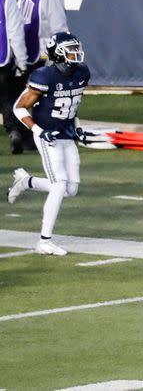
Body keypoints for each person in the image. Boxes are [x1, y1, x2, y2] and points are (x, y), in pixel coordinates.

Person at [6, 32, 87, 255]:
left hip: (66, 133)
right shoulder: (44, 76)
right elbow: (19, 108)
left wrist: (78, 127)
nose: (75, 54)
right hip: (46, 135)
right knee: (60, 184)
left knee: (70, 189)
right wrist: (39, 131)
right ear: (59, 54)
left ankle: (27, 182)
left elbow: (72, 104)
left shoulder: (81, 72)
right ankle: (44, 241)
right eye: (70, 50)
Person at [13, 0, 68, 152]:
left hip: (44, 55)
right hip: (27, 55)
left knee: (45, 100)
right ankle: (30, 137)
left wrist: (55, 58)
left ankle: (56, 136)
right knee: (27, 99)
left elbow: (59, 27)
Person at [0, 0, 28, 154]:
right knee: (7, 98)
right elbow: (16, 34)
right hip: (3, 61)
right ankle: (14, 133)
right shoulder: (7, 1)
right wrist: (22, 62)